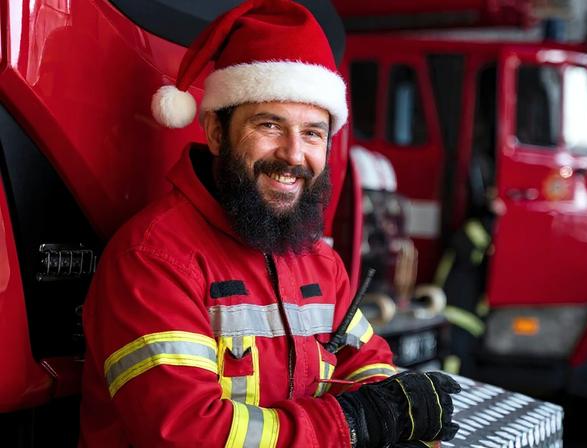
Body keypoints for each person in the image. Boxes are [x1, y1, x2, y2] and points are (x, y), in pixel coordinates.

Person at [79, 1, 460, 446]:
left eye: (314, 133)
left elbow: (366, 364)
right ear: (217, 132)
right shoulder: (153, 260)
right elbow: (189, 433)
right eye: (270, 125)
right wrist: (354, 424)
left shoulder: (320, 262)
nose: (294, 155)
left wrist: (396, 406)